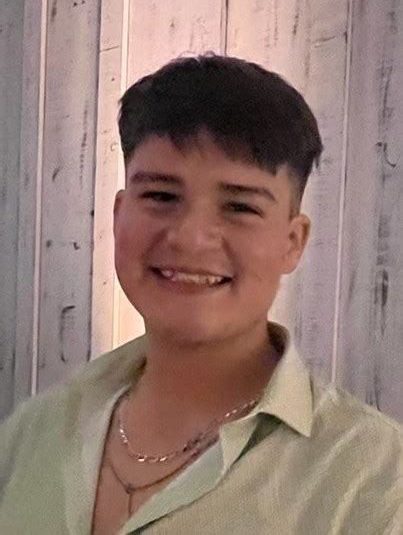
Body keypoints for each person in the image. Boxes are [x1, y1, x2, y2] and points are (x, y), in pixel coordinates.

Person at [0, 54, 402, 535]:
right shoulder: (33, 433)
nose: (190, 238)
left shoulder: (375, 481)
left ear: (292, 242)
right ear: (119, 215)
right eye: (161, 196)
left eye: (240, 207)